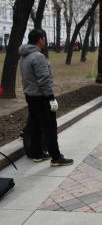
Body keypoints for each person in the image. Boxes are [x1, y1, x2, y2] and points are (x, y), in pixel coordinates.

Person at [18, 29, 73, 166]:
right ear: (39, 39)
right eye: (44, 38)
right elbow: (44, 80)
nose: (45, 41)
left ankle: (37, 153)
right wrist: (51, 98)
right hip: (41, 97)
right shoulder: (38, 56)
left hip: (30, 96)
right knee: (50, 127)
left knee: (36, 125)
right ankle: (56, 157)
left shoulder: (24, 56)